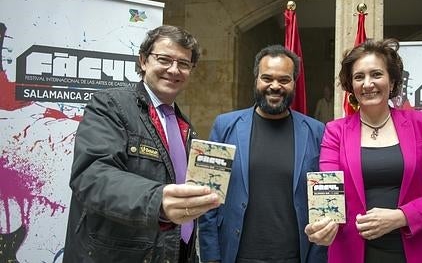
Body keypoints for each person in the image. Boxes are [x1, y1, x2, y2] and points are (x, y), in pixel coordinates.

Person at [63, 25, 221, 263]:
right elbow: (91, 175)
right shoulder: (110, 105)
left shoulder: (185, 126)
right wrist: (157, 200)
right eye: (164, 59)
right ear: (144, 60)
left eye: (184, 64)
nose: (174, 70)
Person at [304, 39, 422, 263]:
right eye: (359, 77)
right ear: (351, 85)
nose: (368, 84)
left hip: (415, 250)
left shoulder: (421, 124)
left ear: (392, 79)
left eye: (376, 74)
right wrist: (321, 227)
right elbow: (328, 197)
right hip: (352, 252)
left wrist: (401, 217)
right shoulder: (335, 131)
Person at [199, 45, 328, 263]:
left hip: (295, 257)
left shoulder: (316, 131)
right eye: (267, 78)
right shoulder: (225, 126)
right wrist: (211, 257)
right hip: (236, 255)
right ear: (256, 80)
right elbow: (207, 197)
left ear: (294, 83)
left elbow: (324, 202)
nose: (275, 86)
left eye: (284, 80)